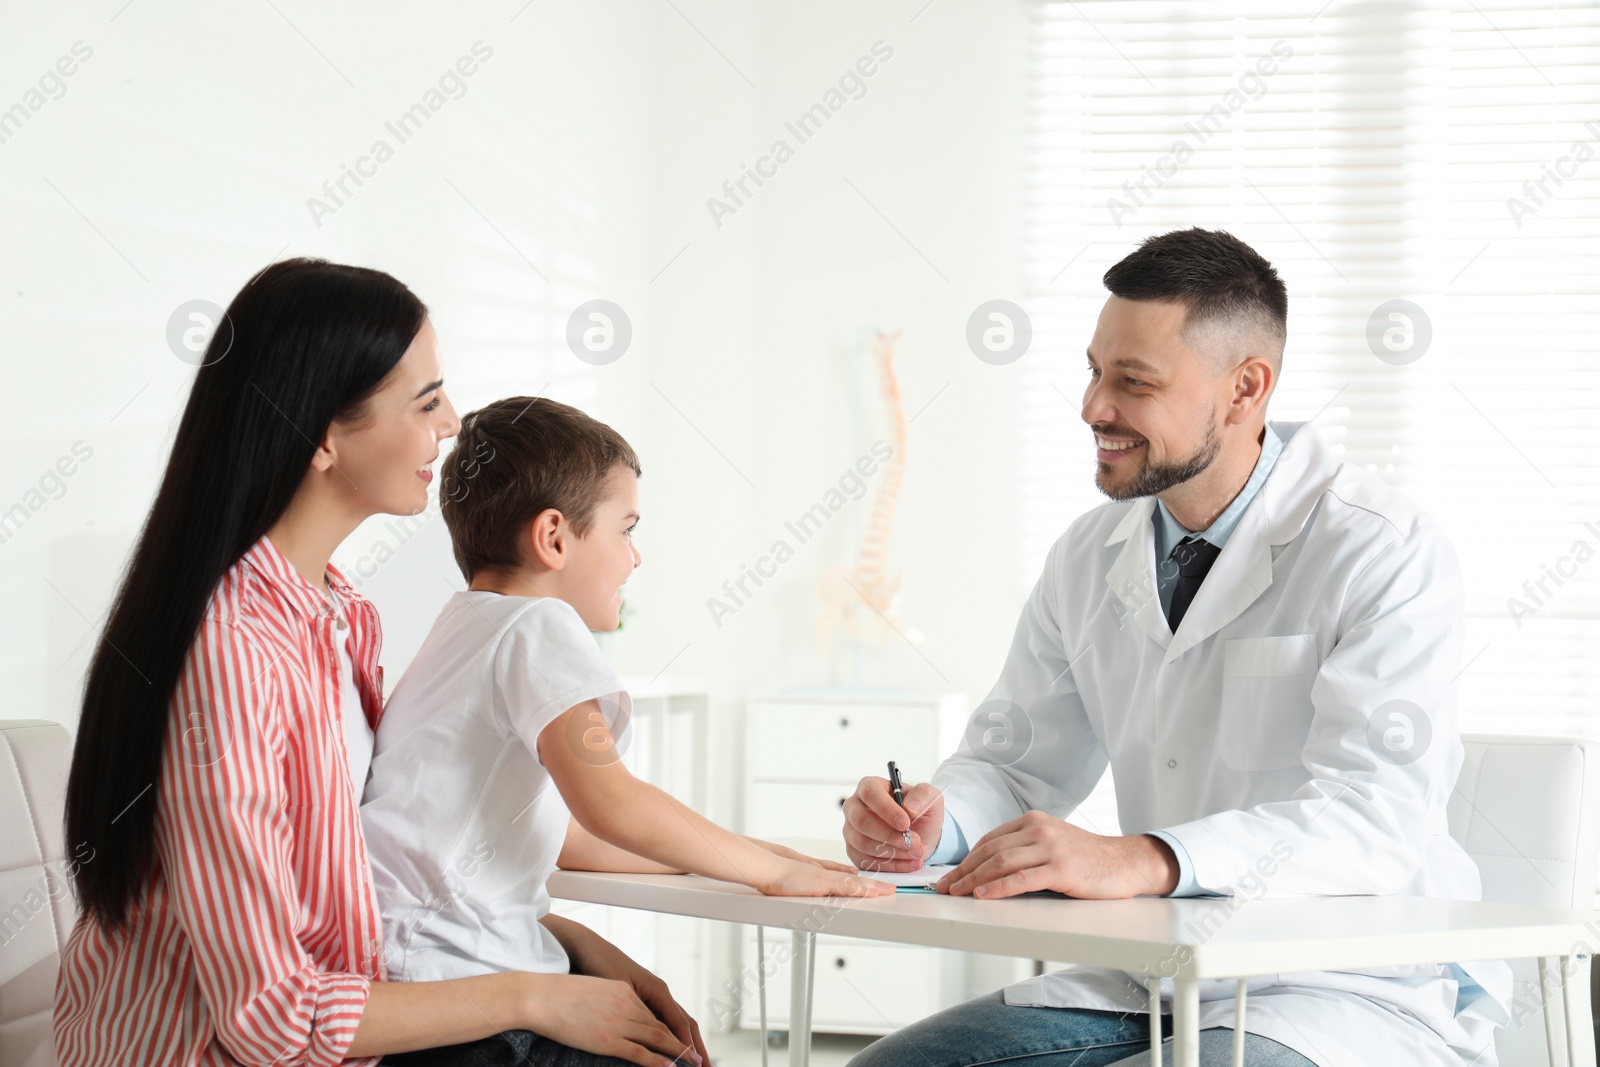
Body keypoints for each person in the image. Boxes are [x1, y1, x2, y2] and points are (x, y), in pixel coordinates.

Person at [840, 229, 1510, 1067]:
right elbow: (1015, 764)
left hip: (1342, 986)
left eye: (1134, 381)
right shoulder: (1089, 555)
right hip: (1152, 979)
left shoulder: (1381, 548)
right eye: (1093, 369)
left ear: (1245, 389)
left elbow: (1375, 814)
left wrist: (1148, 857)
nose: (1092, 406)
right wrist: (936, 824)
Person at [54, 259, 708, 1067]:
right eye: (427, 399)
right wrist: (537, 990)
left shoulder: (335, 615)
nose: (453, 422)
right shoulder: (233, 654)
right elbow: (272, 1020)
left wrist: (563, 940)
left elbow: (373, 877)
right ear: (327, 432)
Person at [360, 396, 891, 1065]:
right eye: (627, 529)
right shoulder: (537, 626)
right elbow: (609, 802)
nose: (634, 559)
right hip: (473, 1014)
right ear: (554, 537)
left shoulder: (462, 627)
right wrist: (770, 871)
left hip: (420, 995)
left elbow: (571, 836)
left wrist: (756, 853)